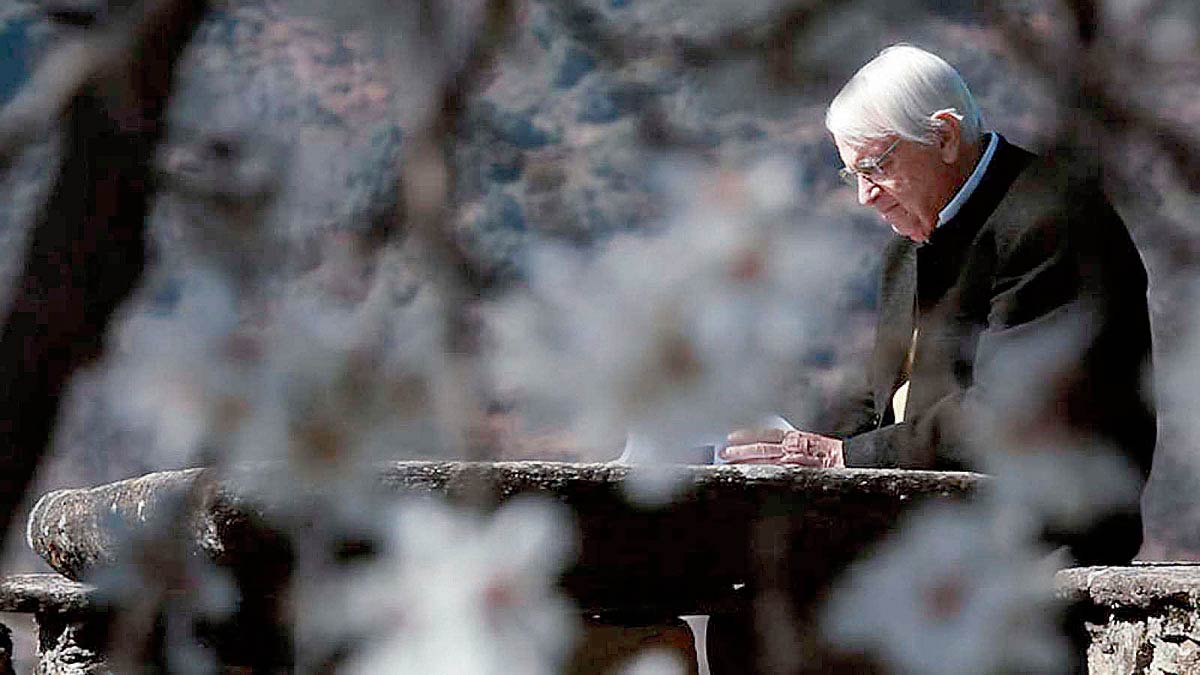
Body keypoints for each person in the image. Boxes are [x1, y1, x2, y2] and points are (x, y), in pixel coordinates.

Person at [720, 44, 1156, 566]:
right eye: (851, 174)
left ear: (945, 137)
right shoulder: (911, 245)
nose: (864, 195)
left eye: (875, 167)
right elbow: (882, 396)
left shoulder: (1051, 223)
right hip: (931, 525)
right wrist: (792, 444)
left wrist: (846, 458)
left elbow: (1013, 414)